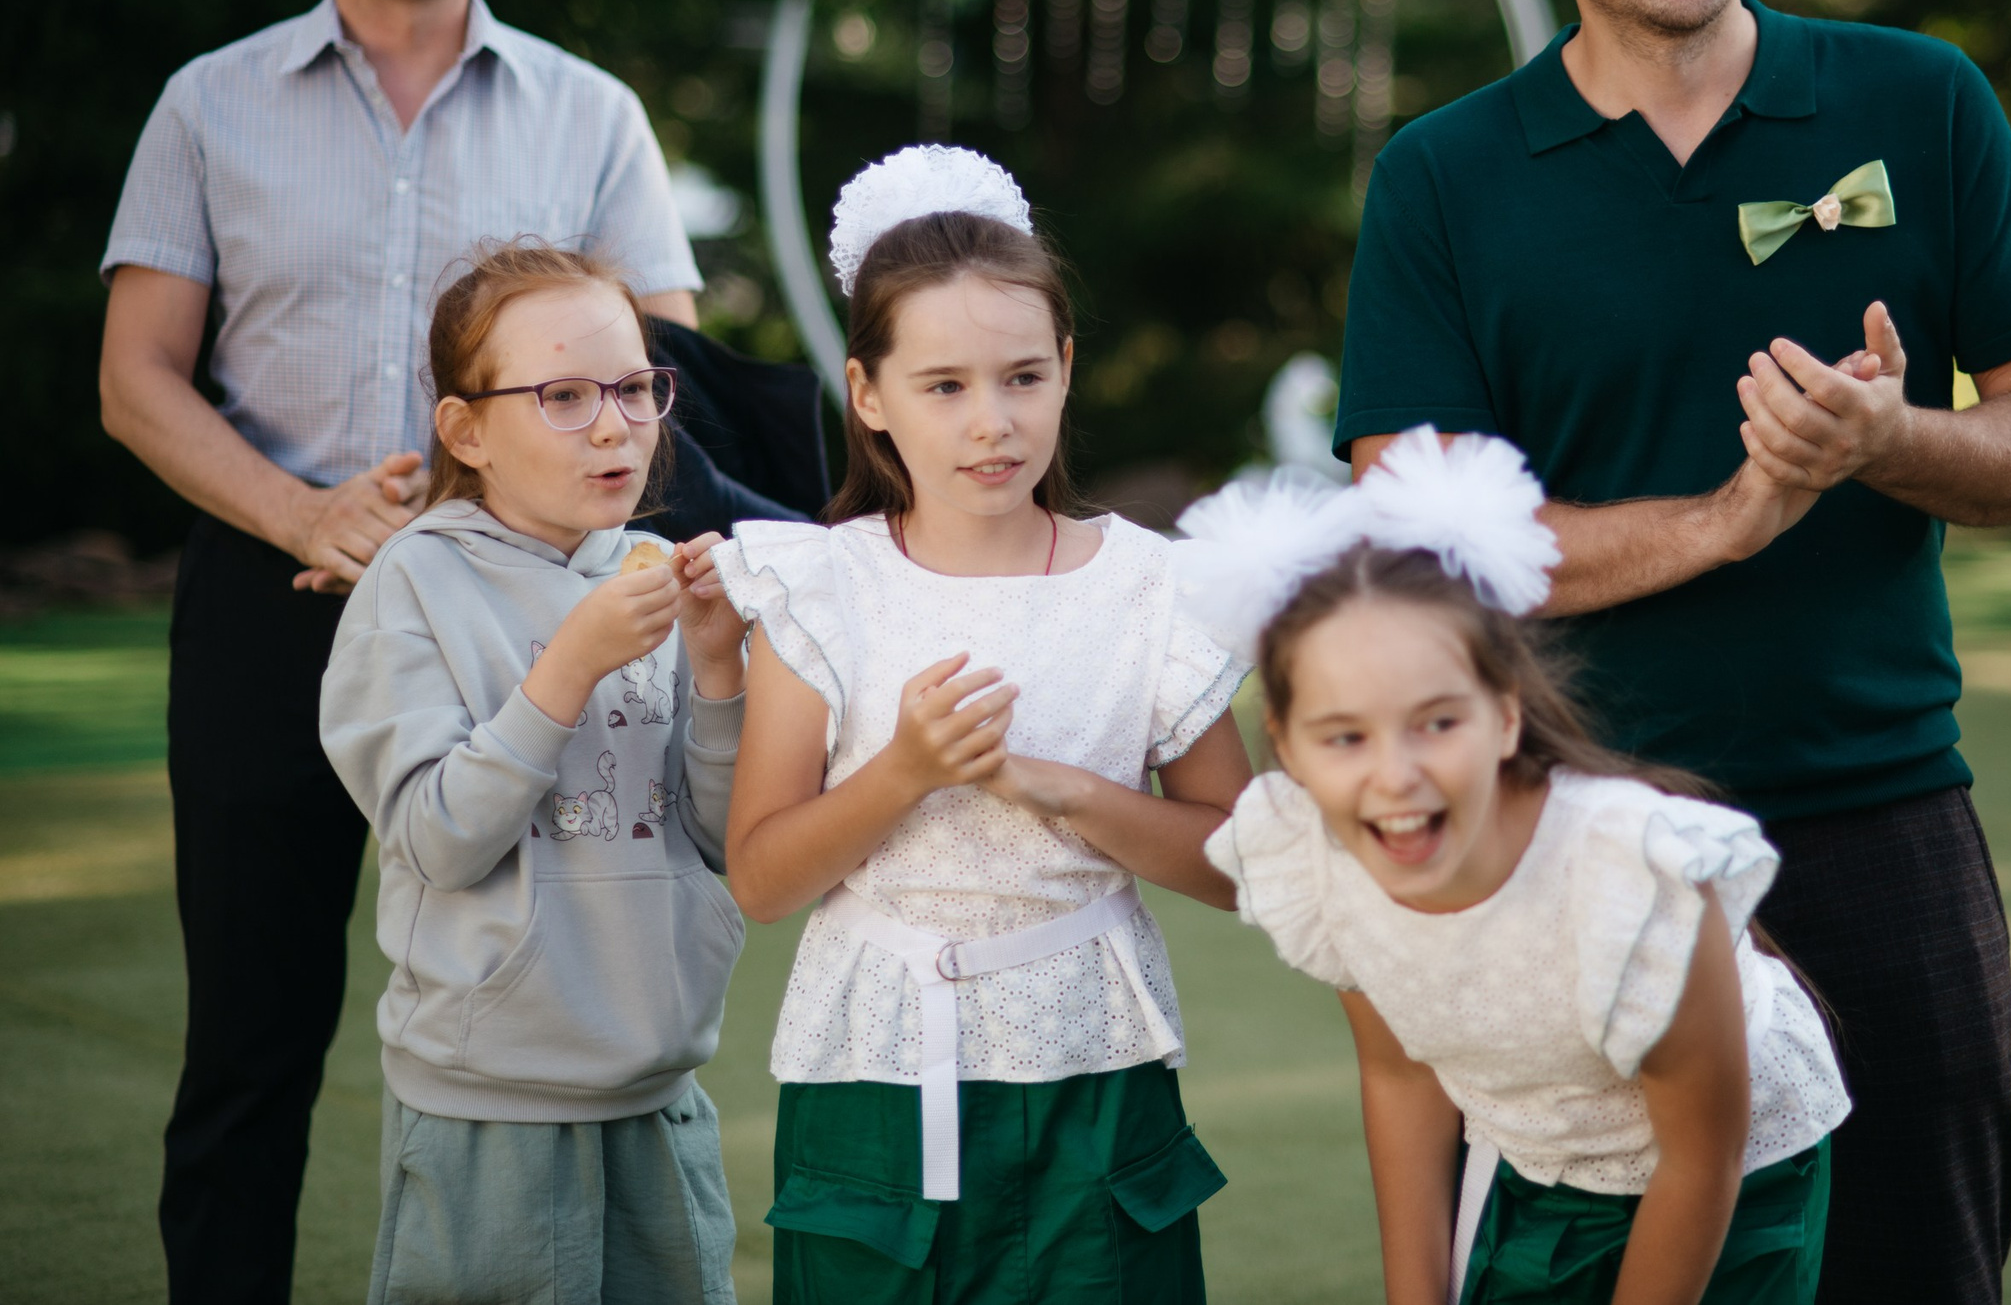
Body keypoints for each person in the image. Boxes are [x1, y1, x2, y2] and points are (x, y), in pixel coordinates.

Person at [1334, 0, 2011, 1303]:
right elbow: (1419, 552)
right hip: (1562, 847)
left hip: (1883, 820)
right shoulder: (1445, 177)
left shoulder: (1920, 101)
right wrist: (1729, 516)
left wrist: (1883, 444)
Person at [95, 0, 702, 1302]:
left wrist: (490, 504)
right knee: (249, 1037)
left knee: (541, 992)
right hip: (267, 593)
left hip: (528, 608)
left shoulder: (593, 112)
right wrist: (308, 509)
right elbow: (137, 379)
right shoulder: (210, 104)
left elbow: (658, 365)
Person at [711, 145, 1256, 1304]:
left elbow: (1246, 862)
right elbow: (759, 877)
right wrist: (901, 771)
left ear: (1066, 369)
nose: (991, 423)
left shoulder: (1151, 586)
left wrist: (1074, 795)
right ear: (869, 396)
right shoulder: (820, 584)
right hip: (873, 1080)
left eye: (1021, 377)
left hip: (1093, 1073)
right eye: (943, 386)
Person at [1186, 429, 1849, 1305]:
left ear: (1504, 717)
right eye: (1345, 736)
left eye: (1437, 722)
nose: (1395, 776)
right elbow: (1400, 1070)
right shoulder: (1322, 858)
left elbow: (1703, 1158)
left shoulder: (1629, 878)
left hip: (1735, 1181)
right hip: (1540, 1157)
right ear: (1288, 748)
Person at [320, 243, 748, 1303]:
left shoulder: (653, 572)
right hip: (487, 1101)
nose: (614, 424)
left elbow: (721, 834)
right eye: (562, 394)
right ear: (467, 430)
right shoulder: (412, 581)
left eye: (636, 388)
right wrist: (569, 662)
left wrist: (717, 668)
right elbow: (437, 835)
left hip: (658, 1090)